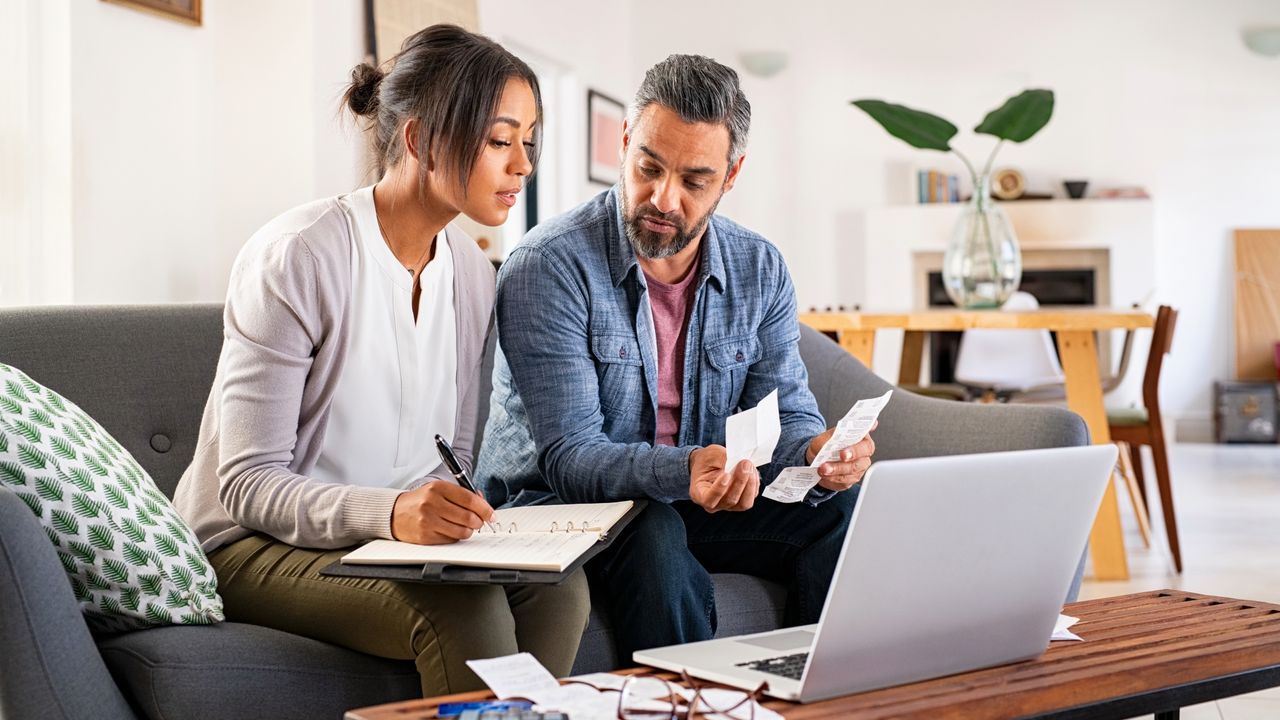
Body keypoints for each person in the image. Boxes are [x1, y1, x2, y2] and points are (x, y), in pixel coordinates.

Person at [173, 24, 590, 696]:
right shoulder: (300, 256)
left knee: (560, 590)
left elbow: (448, 457)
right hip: (251, 545)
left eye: (528, 141)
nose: (522, 165)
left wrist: (458, 518)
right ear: (422, 139)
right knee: (466, 608)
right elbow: (246, 485)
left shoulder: (477, 277)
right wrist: (392, 513)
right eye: (499, 140)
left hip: (386, 543)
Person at [475, 54, 876, 659]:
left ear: (730, 175)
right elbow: (569, 457)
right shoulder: (549, 266)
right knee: (654, 529)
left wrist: (818, 452)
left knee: (841, 510)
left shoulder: (759, 268)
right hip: (557, 507)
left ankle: (817, 697)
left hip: (692, 495)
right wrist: (687, 471)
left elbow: (787, 413)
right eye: (649, 167)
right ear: (627, 142)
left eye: (694, 181)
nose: (663, 198)